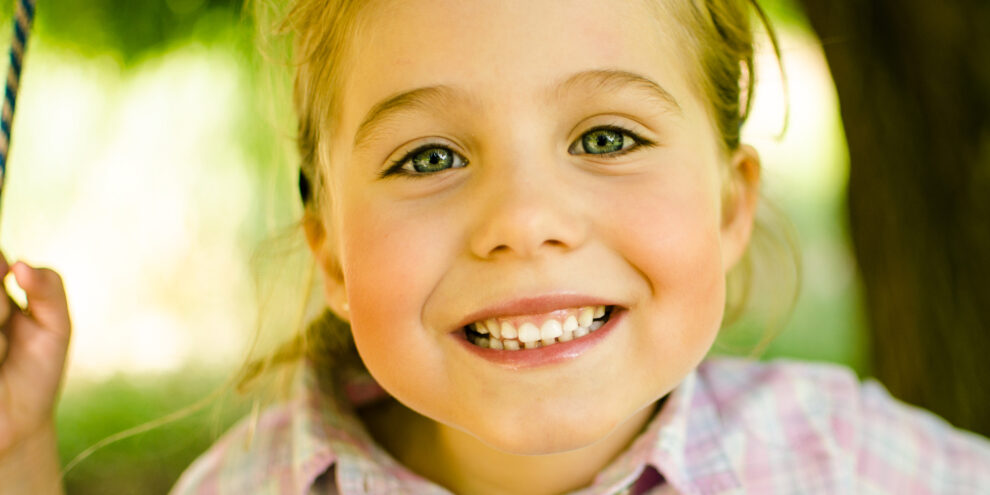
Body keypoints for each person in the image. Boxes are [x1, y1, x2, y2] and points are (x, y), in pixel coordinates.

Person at [2, 0, 989, 493]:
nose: (521, 220)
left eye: (607, 138)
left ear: (730, 207)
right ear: (333, 253)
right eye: (429, 156)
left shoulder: (843, 461)